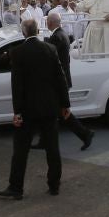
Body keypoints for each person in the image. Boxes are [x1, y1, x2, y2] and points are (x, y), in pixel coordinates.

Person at [0, 19, 71, 200]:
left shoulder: (18, 53)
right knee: (53, 148)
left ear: (24, 33)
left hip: (28, 109)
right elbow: (60, 78)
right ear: (37, 31)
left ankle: (16, 187)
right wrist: (65, 104)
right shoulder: (50, 49)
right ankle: (54, 185)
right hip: (49, 107)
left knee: (21, 151)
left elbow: (17, 85)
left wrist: (17, 112)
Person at [31, 13, 93, 151]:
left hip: (57, 83)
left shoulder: (57, 37)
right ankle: (45, 140)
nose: (46, 23)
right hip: (59, 81)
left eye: (47, 21)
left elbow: (47, 57)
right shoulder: (61, 34)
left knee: (58, 113)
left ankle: (85, 134)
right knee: (54, 112)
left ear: (50, 23)